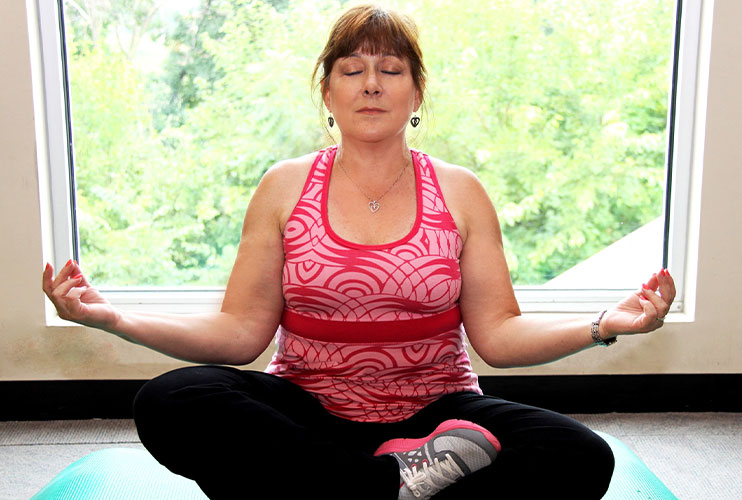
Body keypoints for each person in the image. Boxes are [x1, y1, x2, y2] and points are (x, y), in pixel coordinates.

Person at [42, 4, 676, 499]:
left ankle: (332, 495)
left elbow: (499, 337)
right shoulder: (285, 186)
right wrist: (113, 319)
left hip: (437, 423)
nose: (371, 84)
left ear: (417, 91)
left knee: (579, 455)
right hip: (307, 413)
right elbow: (239, 336)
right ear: (328, 91)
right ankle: (383, 489)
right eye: (352, 70)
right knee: (169, 401)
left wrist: (602, 326)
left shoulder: (460, 192)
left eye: (391, 70)